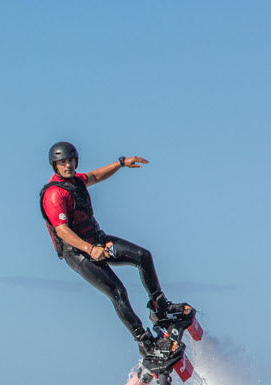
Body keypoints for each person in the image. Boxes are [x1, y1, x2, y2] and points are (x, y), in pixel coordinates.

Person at [38, 141, 191, 359]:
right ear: (55, 165)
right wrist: (90, 250)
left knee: (143, 256)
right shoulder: (54, 194)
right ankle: (145, 343)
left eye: (71, 160)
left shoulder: (76, 181)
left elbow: (96, 176)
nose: (68, 165)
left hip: (98, 241)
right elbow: (62, 231)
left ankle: (161, 308)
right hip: (79, 254)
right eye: (63, 162)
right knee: (118, 292)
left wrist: (121, 163)